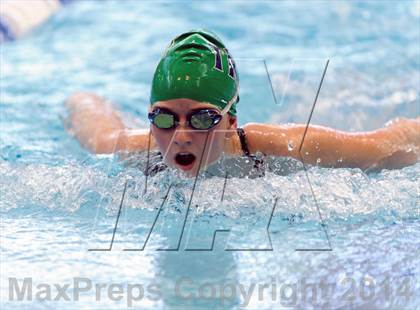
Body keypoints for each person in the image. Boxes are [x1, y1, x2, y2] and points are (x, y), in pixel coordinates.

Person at [65, 29, 419, 177]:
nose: (181, 135)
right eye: (165, 118)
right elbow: (91, 117)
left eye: (203, 119)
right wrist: (80, 99)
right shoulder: (132, 149)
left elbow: (382, 147)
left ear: (231, 121)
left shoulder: (280, 145)